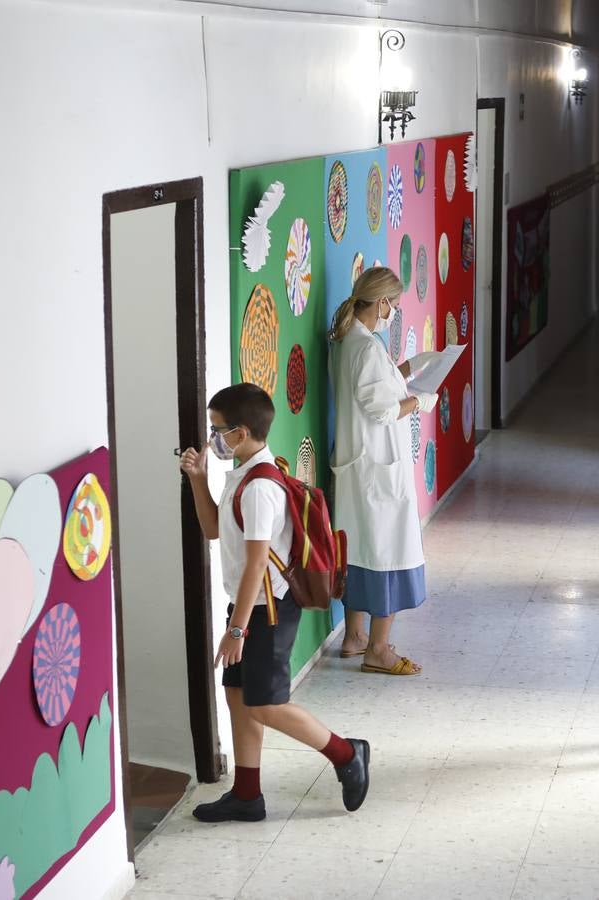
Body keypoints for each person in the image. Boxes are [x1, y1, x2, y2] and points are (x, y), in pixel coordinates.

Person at [179, 384, 371, 822]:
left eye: (218, 430)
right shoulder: (244, 475)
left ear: (242, 431)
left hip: (267, 610)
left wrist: (236, 630)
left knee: (264, 703)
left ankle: (346, 754)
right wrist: (197, 479)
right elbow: (212, 529)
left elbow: (254, 567)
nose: (213, 438)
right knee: (237, 694)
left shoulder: (261, 487)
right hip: (249, 608)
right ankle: (247, 796)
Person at [329, 266, 435, 676]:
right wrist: (419, 403)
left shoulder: (351, 341)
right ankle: (379, 648)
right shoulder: (367, 348)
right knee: (387, 553)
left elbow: (372, 386)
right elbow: (382, 408)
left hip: (361, 465)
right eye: (394, 303)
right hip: (377, 468)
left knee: (360, 550)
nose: (395, 310)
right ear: (383, 302)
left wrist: (407, 369)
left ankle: (354, 637)